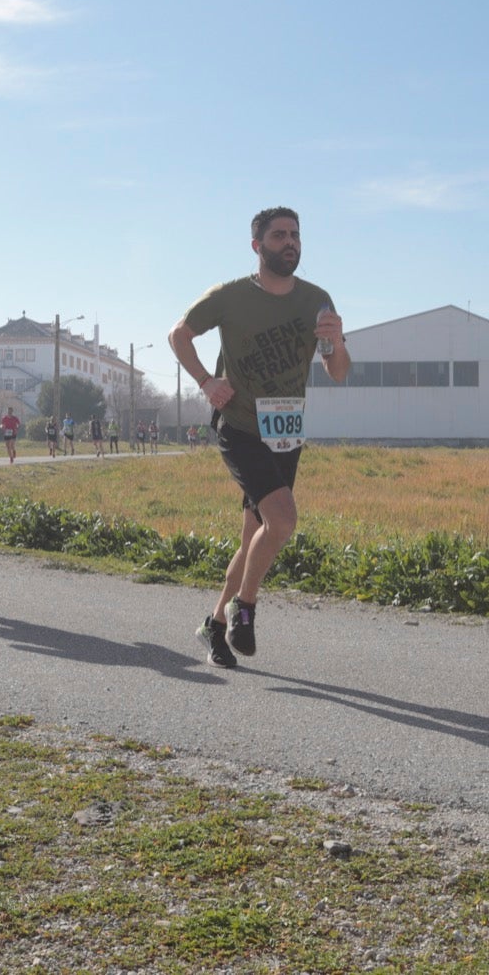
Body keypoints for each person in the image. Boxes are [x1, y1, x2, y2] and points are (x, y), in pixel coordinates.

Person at [167, 206, 348, 668]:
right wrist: (208, 382)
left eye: (296, 235)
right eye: (279, 235)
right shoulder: (229, 297)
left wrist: (337, 341)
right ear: (257, 246)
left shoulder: (317, 301)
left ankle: (213, 626)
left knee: (255, 537)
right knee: (283, 520)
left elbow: (338, 371)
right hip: (240, 426)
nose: (290, 242)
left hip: (285, 433)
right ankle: (243, 609)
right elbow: (179, 335)